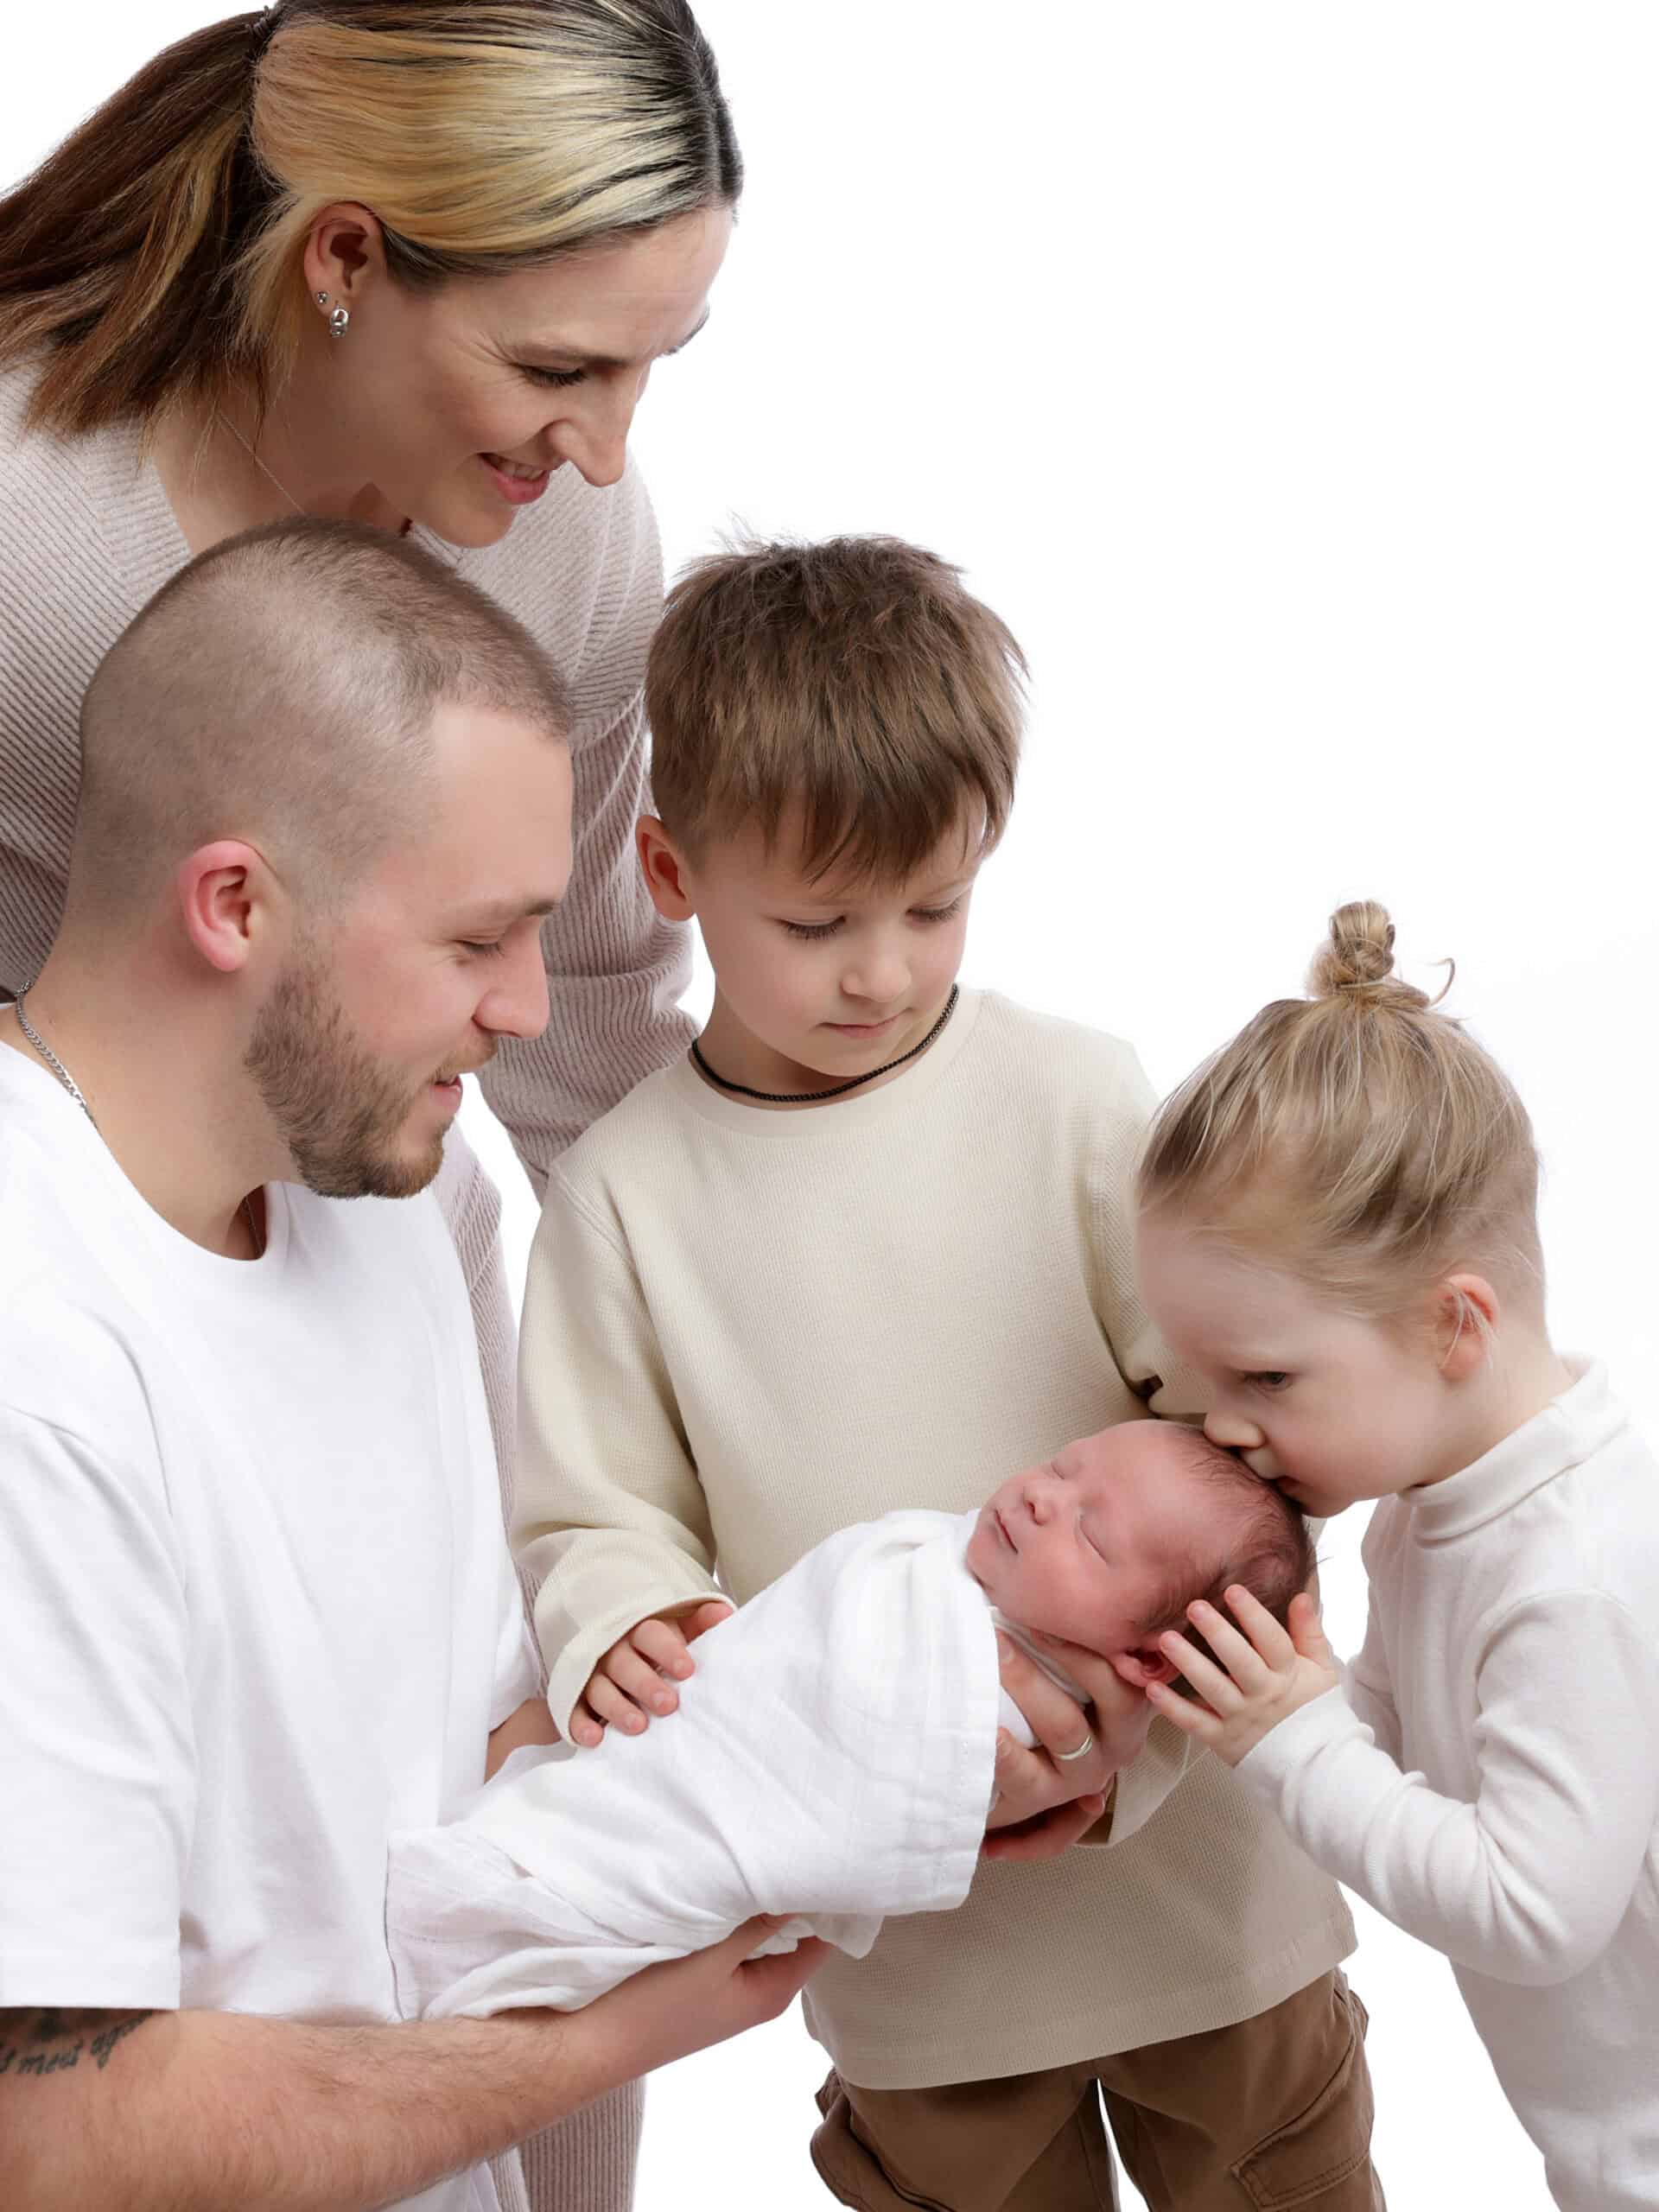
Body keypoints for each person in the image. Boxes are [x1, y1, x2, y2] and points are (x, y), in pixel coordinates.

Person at [0, 8, 739, 2196]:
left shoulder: (572, 555)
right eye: (558, 368)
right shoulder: (31, 525)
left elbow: (587, 1018)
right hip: (91, 1267)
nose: (604, 449)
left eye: (653, 367)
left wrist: (714, 1461)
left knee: (470, 1833)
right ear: (344, 259)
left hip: (352, 1215)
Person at [511, 533, 1385, 2210]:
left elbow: (1249, 1448)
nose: (886, 969)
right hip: (922, 1942)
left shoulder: (1076, 1099)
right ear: (671, 869)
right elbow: (593, 1508)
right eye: (819, 920)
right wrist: (625, 1621)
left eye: (935, 903)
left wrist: (1123, 1743)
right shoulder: (625, 1194)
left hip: (1203, 1889)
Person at [0, 519, 826, 2212]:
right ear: (235, 903)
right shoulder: (37, 1342)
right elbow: (56, 2134)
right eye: (476, 940)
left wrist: (851, 1765)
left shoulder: (403, 1200)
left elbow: (464, 1784)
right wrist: (621, 2030)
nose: (530, 1008)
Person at [1132, 900, 1659, 2212]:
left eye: (1265, 1376)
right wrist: (1273, 1703)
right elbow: (1393, 1743)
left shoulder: (1570, 1578)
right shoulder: (1432, 1510)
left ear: (1454, 1326)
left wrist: (1296, 1740)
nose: (1221, 1424)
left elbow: (1535, 1912)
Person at [390, 1422, 1313, 2022]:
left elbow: (853, 1779)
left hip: (1189, 1963)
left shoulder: (998, 1697)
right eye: (1064, 1465)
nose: (1043, 1495)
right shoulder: (945, 1566)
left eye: (1091, 1533)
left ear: (1150, 1661)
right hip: (645, 1738)